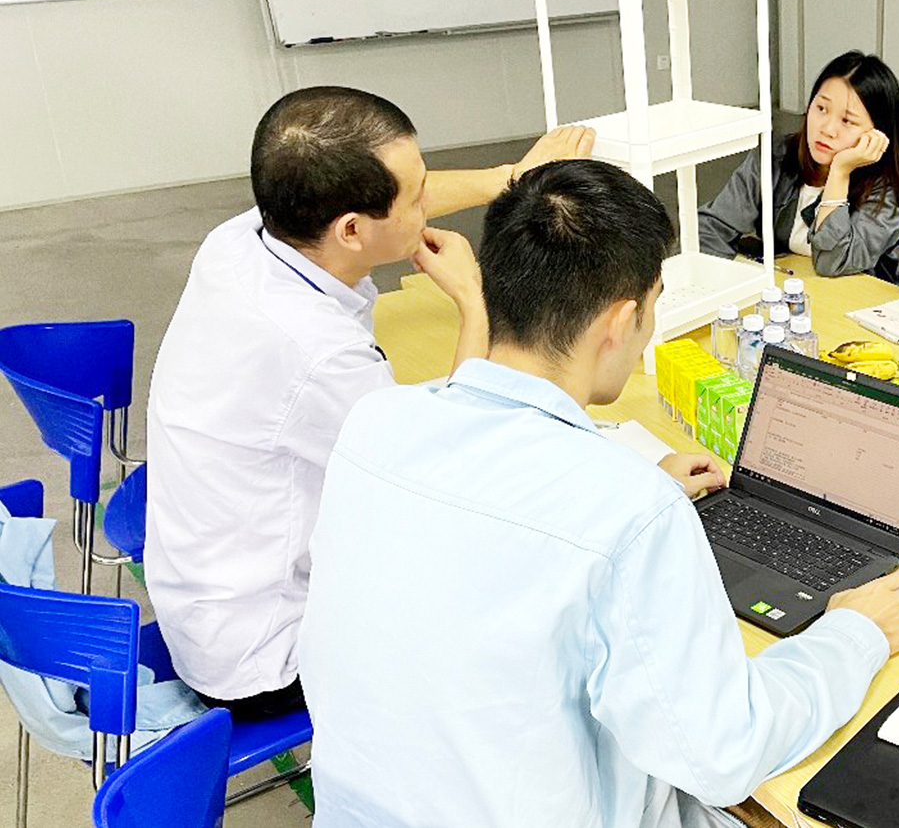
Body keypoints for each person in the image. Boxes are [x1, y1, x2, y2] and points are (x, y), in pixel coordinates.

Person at [297, 159, 899, 828]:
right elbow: (725, 751)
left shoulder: (376, 423)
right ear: (621, 320)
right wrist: (854, 633)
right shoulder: (631, 511)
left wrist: (630, 491)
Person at [146, 86, 595, 720]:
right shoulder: (317, 354)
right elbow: (448, 470)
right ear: (351, 230)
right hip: (266, 657)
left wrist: (511, 176)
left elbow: (391, 200)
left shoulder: (244, 238)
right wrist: (473, 300)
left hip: (206, 595)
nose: (427, 201)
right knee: (512, 577)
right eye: (416, 197)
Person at [699, 50, 899, 278]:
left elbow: (832, 263)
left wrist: (839, 173)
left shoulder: (888, 189)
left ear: (878, 134)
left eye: (847, 120)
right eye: (821, 109)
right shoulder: (776, 156)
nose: (827, 129)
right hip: (788, 288)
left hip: (855, 295)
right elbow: (710, 228)